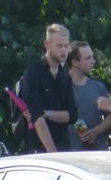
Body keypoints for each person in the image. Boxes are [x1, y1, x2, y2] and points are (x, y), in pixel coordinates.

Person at [17, 24, 76, 153]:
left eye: (66, 46)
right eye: (59, 46)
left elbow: (72, 115)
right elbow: (37, 116)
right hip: (39, 149)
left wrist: (47, 113)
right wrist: (52, 152)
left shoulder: (65, 76)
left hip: (63, 146)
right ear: (47, 44)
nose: (64, 51)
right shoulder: (33, 73)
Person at [66, 43, 111, 150]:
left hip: (98, 151)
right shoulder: (63, 87)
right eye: (88, 58)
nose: (93, 61)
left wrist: (96, 131)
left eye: (92, 57)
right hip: (70, 153)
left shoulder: (98, 87)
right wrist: (83, 131)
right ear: (75, 62)